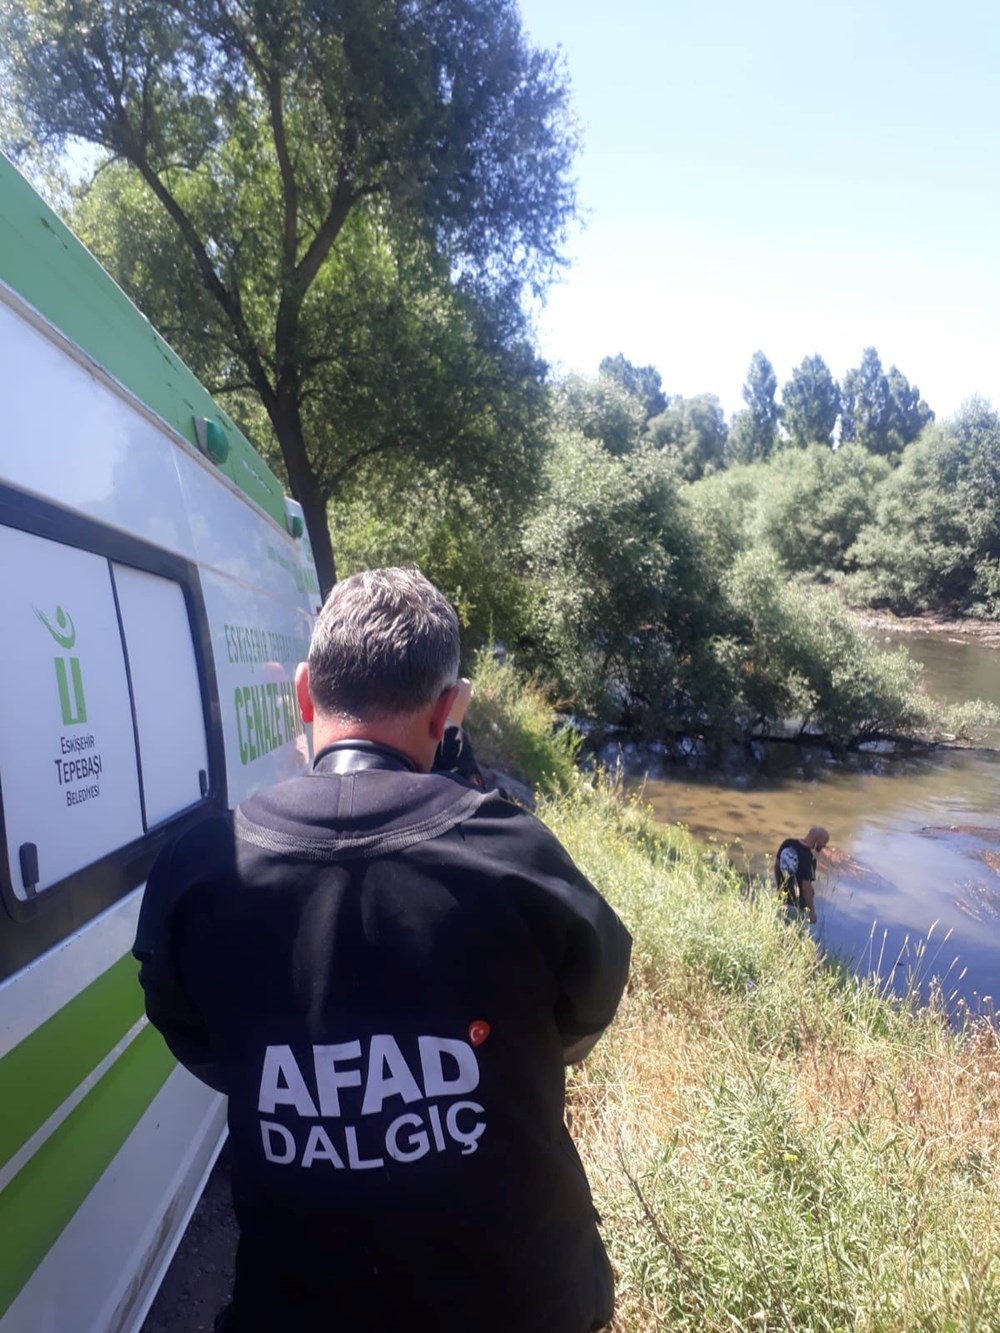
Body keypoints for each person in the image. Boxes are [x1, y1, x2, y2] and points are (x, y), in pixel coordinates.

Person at [133, 567, 631, 1333]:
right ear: (447, 712)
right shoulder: (515, 853)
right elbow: (585, 1015)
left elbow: (195, 1037)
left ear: (304, 694)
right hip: (524, 1304)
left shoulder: (202, 868)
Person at [774, 826, 829, 924]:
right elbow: (805, 887)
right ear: (818, 841)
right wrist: (812, 912)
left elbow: (777, 866)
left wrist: (779, 887)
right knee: (792, 936)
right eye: (824, 842)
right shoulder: (808, 858)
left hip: (780, 899)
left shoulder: (788, 843)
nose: (824, 846)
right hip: (796, 906)